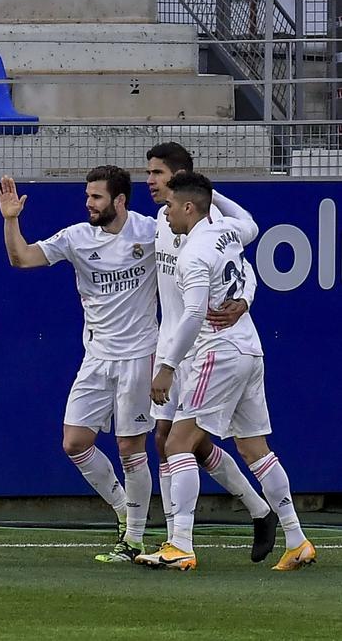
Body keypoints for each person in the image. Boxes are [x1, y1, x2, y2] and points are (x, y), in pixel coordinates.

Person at [136, 172, 316, 571]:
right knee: (256, 450)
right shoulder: (228, 231)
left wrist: (166, 368)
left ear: (188, 207)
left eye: (170, 205)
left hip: (218, 353)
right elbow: (251, 223)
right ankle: (297, 538)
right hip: (249, 349)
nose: (165, 213)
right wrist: (213, 193)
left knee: (178, 445)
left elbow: (195, 312)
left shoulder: (194, 252)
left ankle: (179, 544)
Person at [0, 166, 156, 563]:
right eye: (88, 196)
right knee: (75, 442)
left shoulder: (151, 231)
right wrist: (11, 219)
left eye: (97, 197)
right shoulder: (76, 237)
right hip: (96, 357)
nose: (89, 203)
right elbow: (21, 258)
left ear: (119, 200)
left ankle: (134, 539)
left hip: (139, 355)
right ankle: (123, 509)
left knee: (129, 447)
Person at [144, 142, 277, 561]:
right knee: (179, 440)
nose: (151, 181)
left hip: (204, 346)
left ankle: (178, 541)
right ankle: (258, 509)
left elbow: (245, 268)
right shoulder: (161, 221)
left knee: (177, 440)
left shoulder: (208, 221)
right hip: (175, 342)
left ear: (181, 180)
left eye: (158, 174)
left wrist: (247, 298)